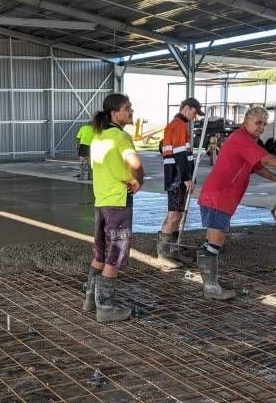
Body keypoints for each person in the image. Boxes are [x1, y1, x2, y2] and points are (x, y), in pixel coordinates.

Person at [197, 106, 276, 300]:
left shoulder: (245, 140)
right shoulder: (242, 140)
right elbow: (267, 159)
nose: (262, 127)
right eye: (258, 123)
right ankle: (211, 288)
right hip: (218, 196)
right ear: (246, 122)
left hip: (220, 196)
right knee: (215, 241)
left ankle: (210, 283)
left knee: (212, 240)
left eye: (264, 123)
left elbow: (257, 166)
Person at [82, 93, 144, 323]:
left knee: (99, 253)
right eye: (127, 108)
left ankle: (90, 299)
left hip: (101, 201)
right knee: (115, 254)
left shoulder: (98, 136)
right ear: (114, 113)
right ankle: (106, 308)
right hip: (118, 201)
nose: (131, 112)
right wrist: (140, 180)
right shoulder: (120, 136)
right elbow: (136, 164)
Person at [157, 97, 204, 267]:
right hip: (177, 178)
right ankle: (164, 253)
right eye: (194, 112)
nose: (195, 116)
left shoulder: (177, 125)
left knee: (177, 214)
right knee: (173, 215)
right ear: (186, 108)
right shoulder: (178, 126)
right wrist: (186, 178)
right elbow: (179, 155)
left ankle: (173, 249)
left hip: (177, 178)